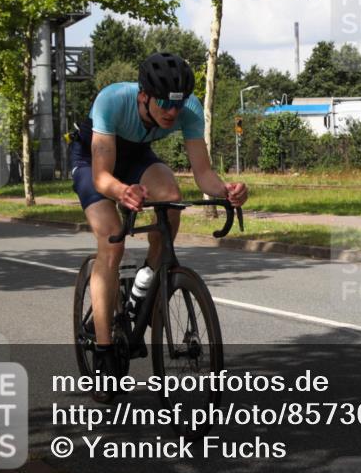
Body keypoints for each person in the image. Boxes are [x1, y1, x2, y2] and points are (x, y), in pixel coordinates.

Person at [70, 52, 247, 401]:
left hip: (136, 156)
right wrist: (123, 191)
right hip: (94, 161)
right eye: (164, 103)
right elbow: (104, 176)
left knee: (171, 197)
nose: (171, 112)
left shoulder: (190, 109)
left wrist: (227, 191)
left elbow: (204, 174)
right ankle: (105, 352)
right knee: (112, 240)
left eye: (177, 106)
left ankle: (146, 281)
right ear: (143, 96)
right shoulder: (112, 99)